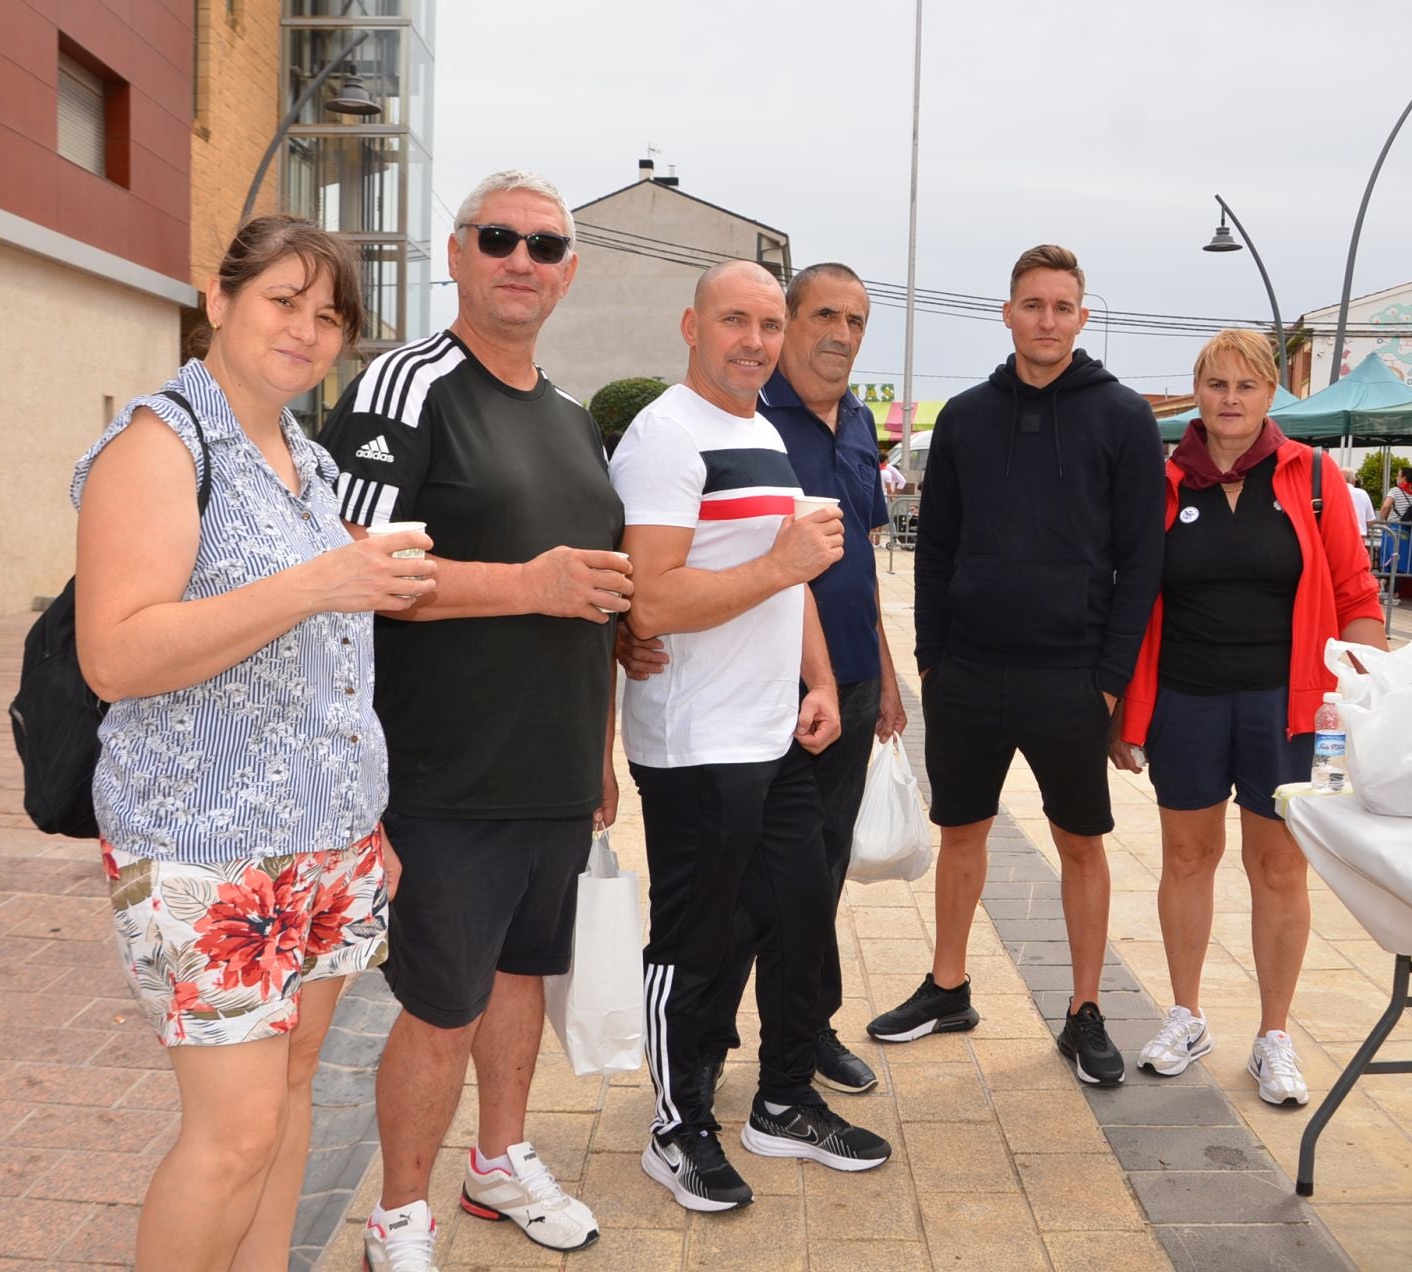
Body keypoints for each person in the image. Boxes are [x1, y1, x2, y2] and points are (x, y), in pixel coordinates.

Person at [74, 214, 430, 1270]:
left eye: (330, 317)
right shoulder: (159, 445)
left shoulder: (306, 463)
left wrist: (365, 827)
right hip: (204, 846)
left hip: (327, 846)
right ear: (219, 300)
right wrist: (323, 579)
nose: (308, 330)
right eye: (284, 300)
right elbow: (117, 656)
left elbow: (327, 670)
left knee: (287, 1099)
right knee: (232, 1135)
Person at [323, 171, 624, 1265]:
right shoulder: (406, 387)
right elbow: (350, 575)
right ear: (456, 254)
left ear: (568, 274)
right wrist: (525, 585)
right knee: (439, 1005)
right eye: (499, 238)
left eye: (545, 246)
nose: (522, 260)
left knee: (516, 983)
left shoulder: (573, 419)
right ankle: (400, 1213)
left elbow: (596, 597)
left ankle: (497, 1165)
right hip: (441, 775)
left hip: (550, 773)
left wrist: (598, 751)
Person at [612, 260, 894, 1213]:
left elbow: (797, 576)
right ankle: (676, 1123)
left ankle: (781, 1101)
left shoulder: (762, 430)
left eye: (768, 324)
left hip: (774, 732)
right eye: (736, 320)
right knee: (698, 939)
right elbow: (651, 598)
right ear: (690, 326)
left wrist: (819, 679)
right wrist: (780, 563)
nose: (756, 341)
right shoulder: (663, 437)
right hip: (695, 744)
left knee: (798, 913)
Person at [867, 244, 1165, 1088]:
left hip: (1072, 675)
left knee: (1082, 843)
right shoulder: (964, 417)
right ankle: (949, 986)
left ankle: (1084, 1012)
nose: (1046, 319)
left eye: (1062, 306)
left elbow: (1141, 559)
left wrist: (1107, 677)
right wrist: (933, 658)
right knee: (960, 831)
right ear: (1007, 313)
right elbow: (937, 549)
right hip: (968, 674)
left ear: (1081, 316)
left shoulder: (1122, 417)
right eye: (1031, 304)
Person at [1111, 328, 1386, 1108]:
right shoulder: (1162, 484)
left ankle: (1274, 1036)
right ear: (1197, 392)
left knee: (1277, 868)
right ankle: (1187, 1015)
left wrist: (1356, 694)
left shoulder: (1314, 477)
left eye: (1247, 386)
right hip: (1187, 701)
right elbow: (1130, 601)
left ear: (1271, 396)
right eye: (1217, 385)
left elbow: (1359, 598)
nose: (1230, 400)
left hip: (1288, 707)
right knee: (1188, 860)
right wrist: (1125, 712)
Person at [1377, 466, 1412, 578]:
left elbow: (1385, 506)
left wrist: (1381, 521)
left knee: (1390, 558)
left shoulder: (1395, 490)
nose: (1396, 478)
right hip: (1409, 531)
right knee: (1404, 560)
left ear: (1404, 478)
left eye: (1398, 475)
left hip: (1393, 528)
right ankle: (1396, 589)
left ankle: (1386, 584)